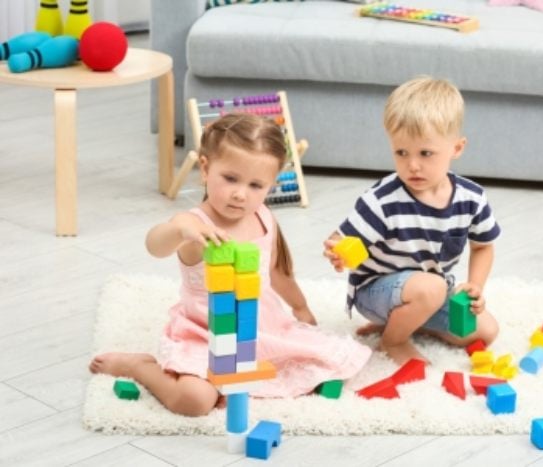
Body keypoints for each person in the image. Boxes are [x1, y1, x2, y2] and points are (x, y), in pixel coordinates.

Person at [90, 113, 371, 416]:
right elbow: (154, 245)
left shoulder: (263, 216)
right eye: (230, 178)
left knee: (334, 362)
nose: (240, 193)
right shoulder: (194, 225)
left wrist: (300, 308)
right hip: (206, 334)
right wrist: (179, 230)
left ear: (271, 185)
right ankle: (141, 367)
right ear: (206, 169)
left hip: (261, 327)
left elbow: (276, 272)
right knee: (194, 401)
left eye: (255, 185)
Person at [323, 77, 500, 365]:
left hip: (430, 290)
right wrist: (336, 249)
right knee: (431, 288)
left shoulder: (472, 198)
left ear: (457, 148)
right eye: (401, 152)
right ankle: (392, 340)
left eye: (425, 153)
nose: (412, 165)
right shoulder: (382, 199)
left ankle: (406, 321)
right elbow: (343, 238)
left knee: (485, 332)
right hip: (375, 291)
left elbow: (483, 247)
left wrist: (476, 285)